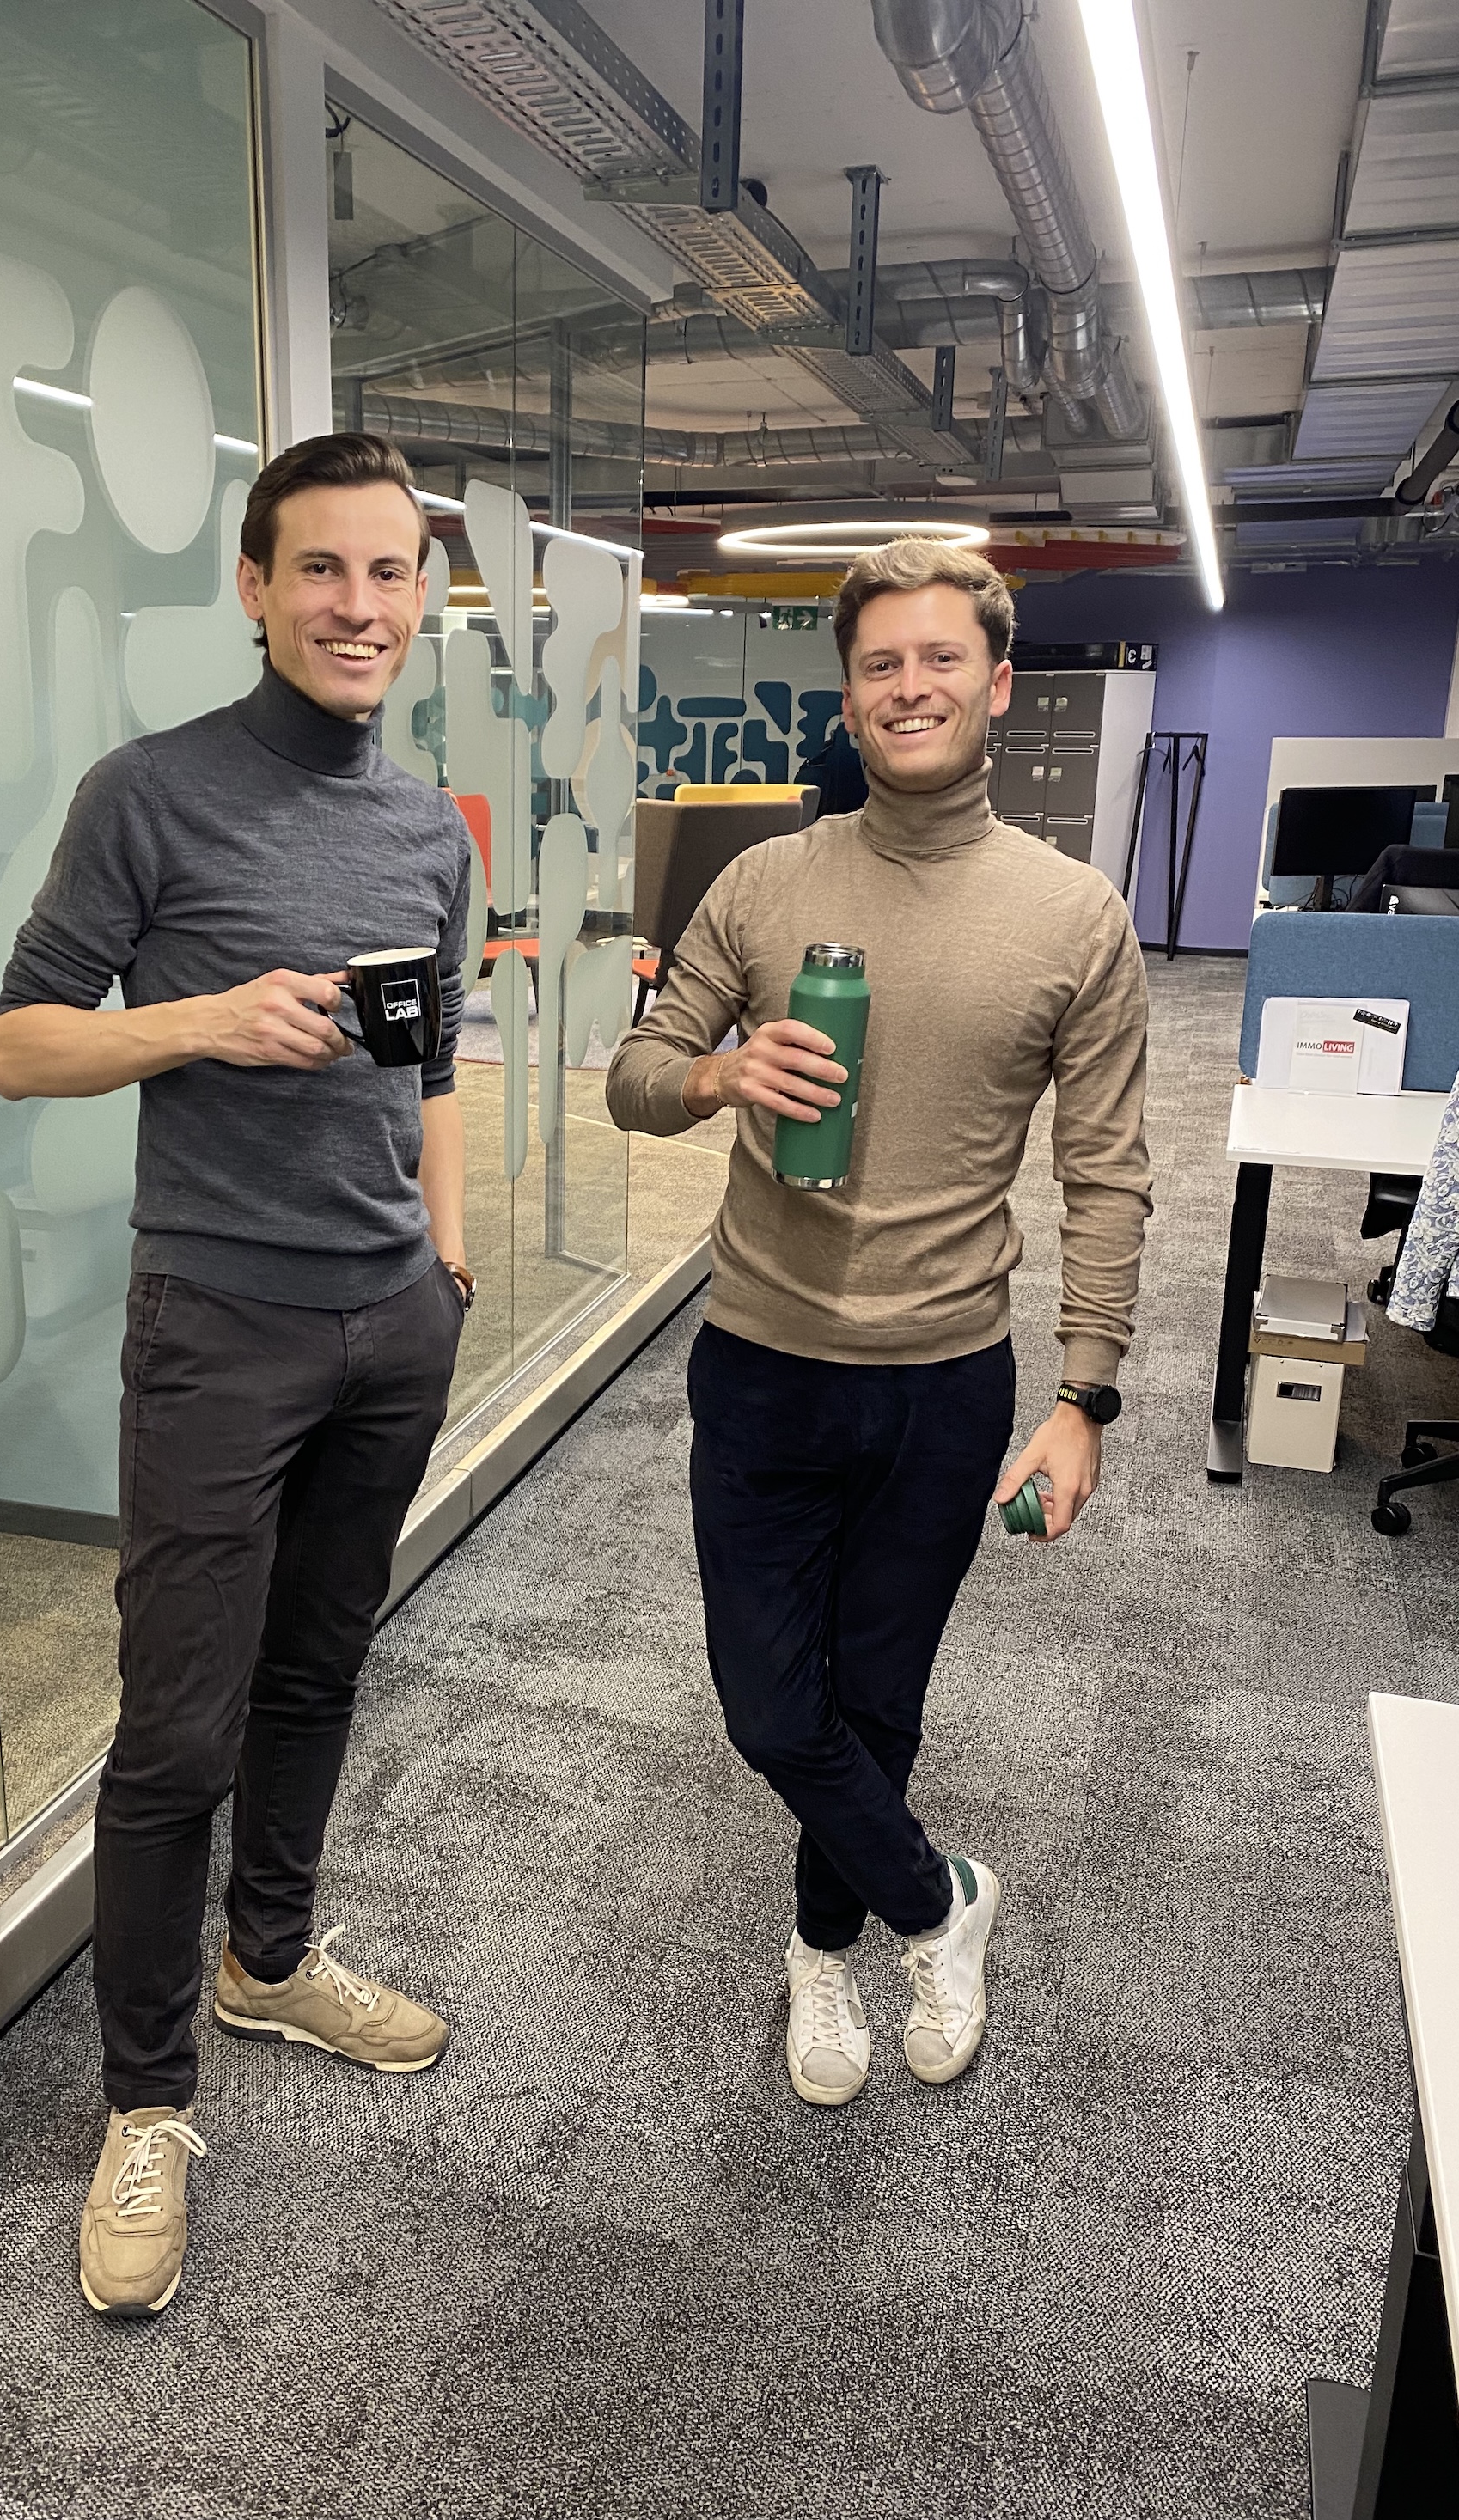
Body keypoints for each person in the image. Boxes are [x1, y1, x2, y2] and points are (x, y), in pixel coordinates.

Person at [0, 433, 474, 2316]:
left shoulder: (427, 828)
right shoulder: (151, 794)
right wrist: (200, 1021)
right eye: (320, 570)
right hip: (216, 1322)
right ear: (256, 588)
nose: (359, 606)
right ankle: (146, 2100)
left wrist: (445, 1258)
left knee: (318, 1670)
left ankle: (268, 1959)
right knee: (174, 1730)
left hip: (388, 1324)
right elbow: (20, 1045)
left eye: (389, 574)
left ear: (419, 599)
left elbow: (436, 1067)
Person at [606, 539, 1151, 2109]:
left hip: (943, 1383)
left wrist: (1084, 1397)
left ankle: (820, 1947)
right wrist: (717, 1072)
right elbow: (635, 1074)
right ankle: (938, 1899)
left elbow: (1107, 1172)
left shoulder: (1075, 915)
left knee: (878, 1701)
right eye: (879, 665)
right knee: (770, 1703)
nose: (910, 688)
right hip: (764, 1360)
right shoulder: (765, 885)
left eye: (939, 659)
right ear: (848, 699)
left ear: (998, 682)